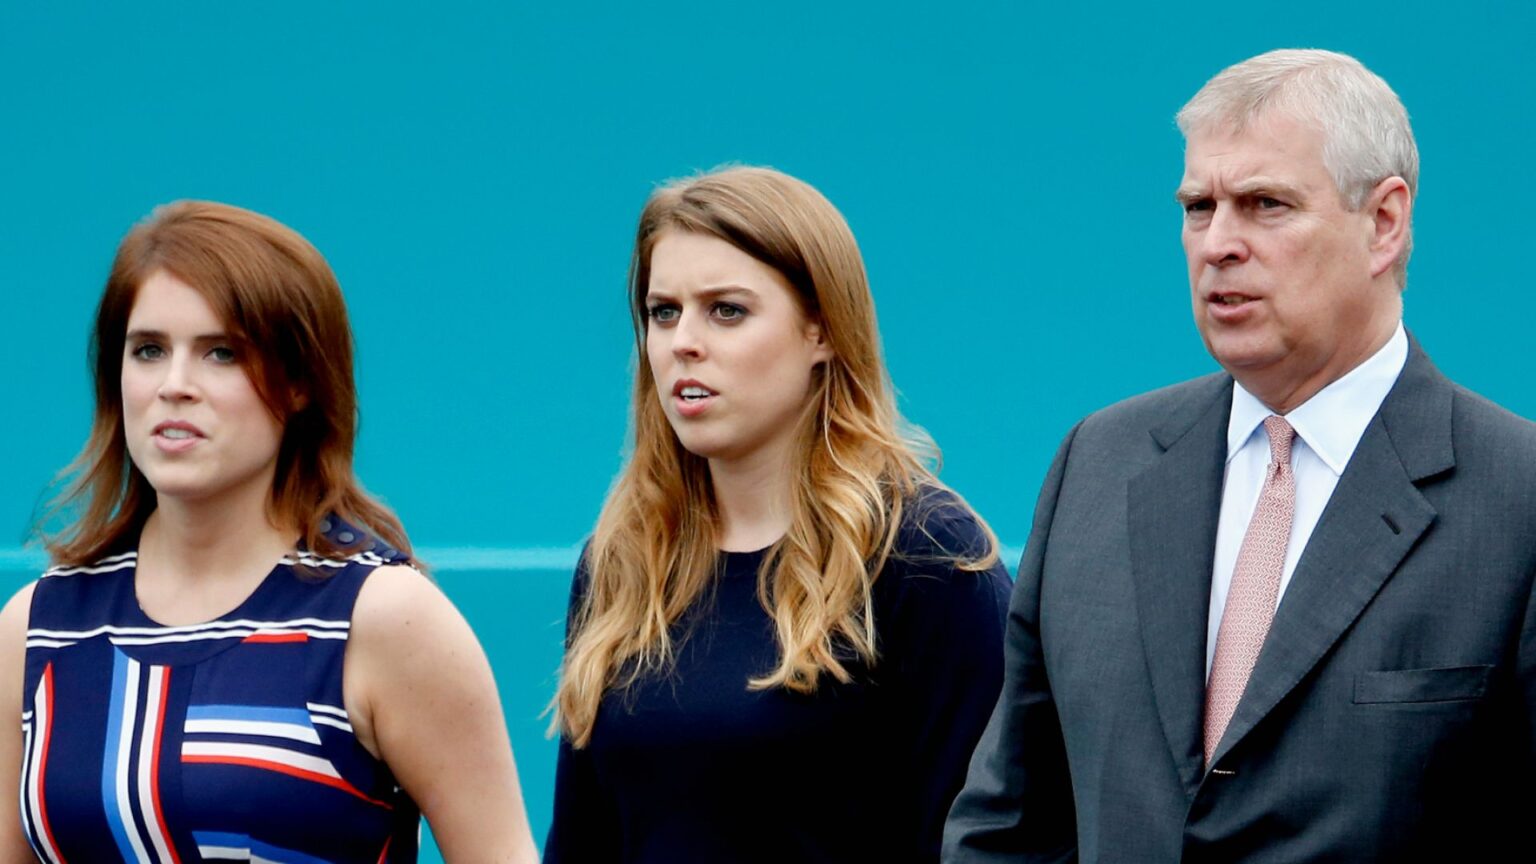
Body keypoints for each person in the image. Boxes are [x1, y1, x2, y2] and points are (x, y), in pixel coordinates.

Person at [943, 48, 1536, 862]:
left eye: (1264, 204)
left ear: (1384, 224)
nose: (1218, 243)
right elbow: (1011, 821)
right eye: (1198, 208)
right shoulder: (1099, 463)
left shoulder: (1518, 495)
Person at [0, 201, 538, 863]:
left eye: (221, 352)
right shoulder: (38, 629)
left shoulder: (381, 619)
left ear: (300, 384)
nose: (174, 386)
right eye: (148, 350)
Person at [544, 166, 1013, 863]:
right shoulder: (625, 558)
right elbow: (584, 838)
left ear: (821, 330)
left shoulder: (923, 556)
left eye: (726, 310)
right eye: (663, 312)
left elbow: (988, 840)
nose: (683, 343)